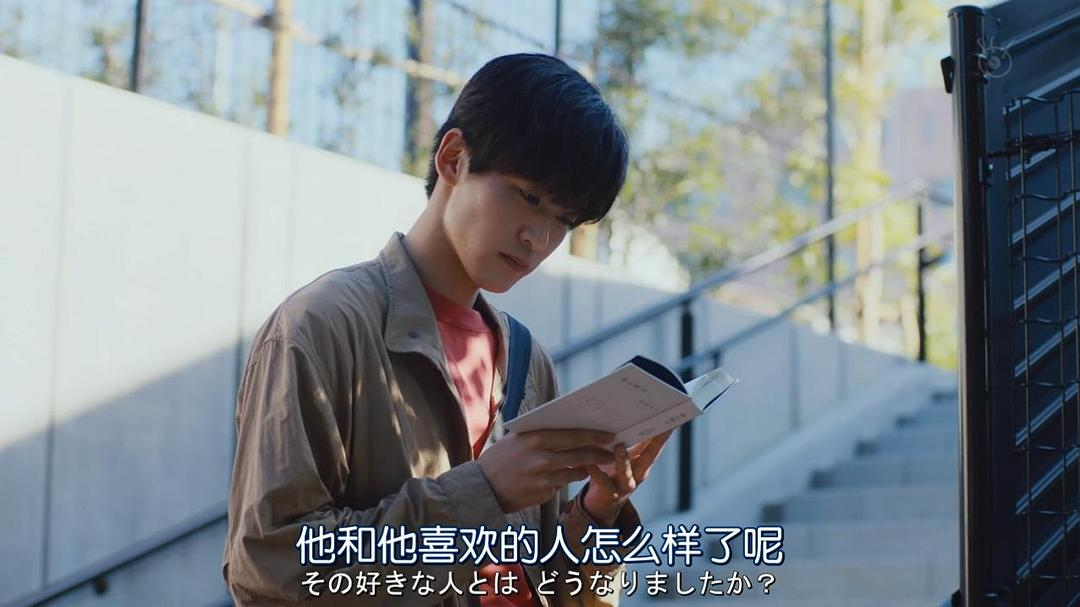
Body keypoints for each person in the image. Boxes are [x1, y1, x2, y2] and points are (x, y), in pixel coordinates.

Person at [222, 53, 673, 606]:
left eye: (564, 219)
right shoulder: (322, 326)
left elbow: (539, 584)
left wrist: (599, 511)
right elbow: (270, 570)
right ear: (454, 158)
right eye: (529, 197)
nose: (539, 238)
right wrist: (482, 491)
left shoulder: (527, 360)